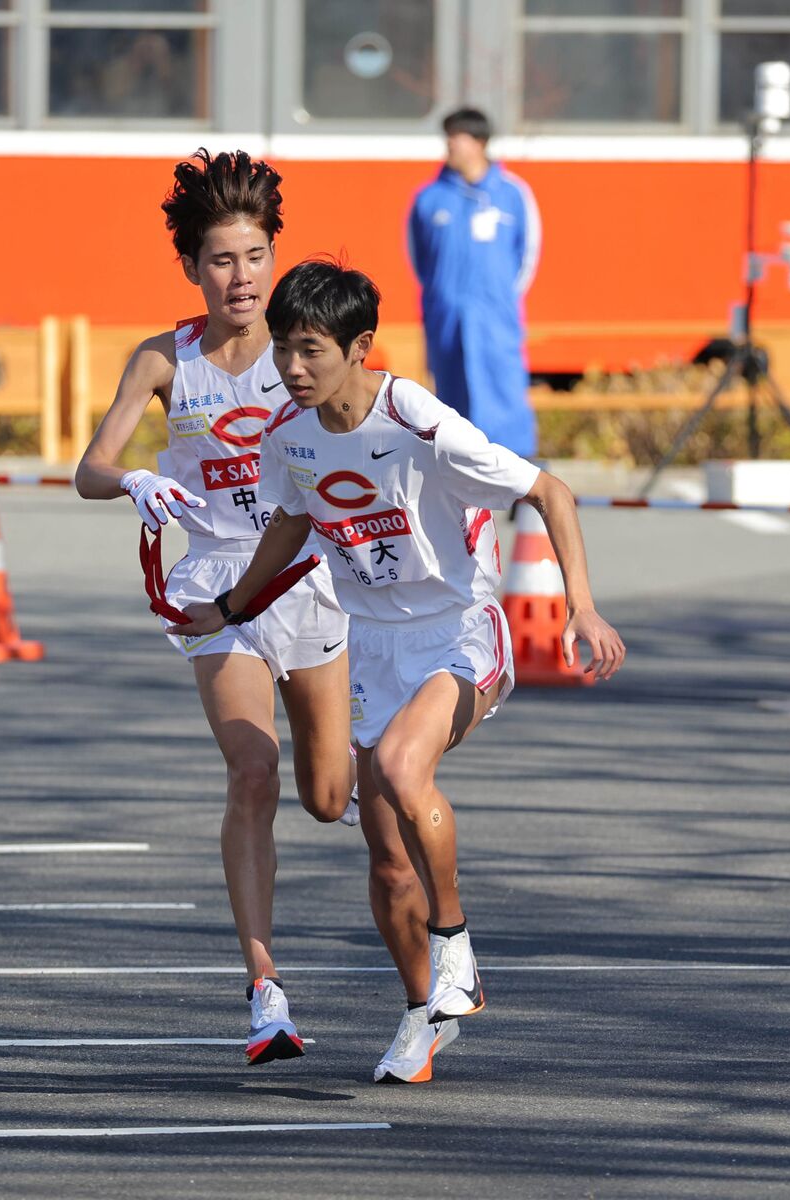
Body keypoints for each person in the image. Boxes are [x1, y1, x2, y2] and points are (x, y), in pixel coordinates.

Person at [175, 259, 625, 1085]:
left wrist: (581, 608)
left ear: (360, 347)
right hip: (371, 647)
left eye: (310, 350)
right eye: (281, 350)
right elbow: (289, 520)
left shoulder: (413, 416)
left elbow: (552, 492)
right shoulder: (289, 432)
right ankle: (424, 1013)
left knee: (398, 765)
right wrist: (233, 608)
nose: (291, 368)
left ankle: (458, 953)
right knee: (385, 857)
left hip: (459, 630)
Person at [74, 151, 357, 1068]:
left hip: (310, 577)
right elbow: (90, 467)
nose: (241, 277)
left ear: (275, 257)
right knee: (250, 771)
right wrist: (138, 479)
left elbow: (380, 441)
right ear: (194, 268)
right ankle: (264, 990)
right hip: (218, 593)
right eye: (221, 260)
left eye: (254, 256)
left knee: (327, 797)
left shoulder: (305, 352)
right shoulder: (167, 358)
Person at [407, 107, 541, 457]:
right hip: (445, 317)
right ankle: (459, 474)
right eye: (447, 135)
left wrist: (499, 299)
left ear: (479, 142)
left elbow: (527, 254)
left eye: (458, 135)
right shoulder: (428, 198)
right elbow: (420, 260)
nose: (449, 143)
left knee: (503, 389)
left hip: (495, 316)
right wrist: (444, 297)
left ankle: (517, 474)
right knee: (451, 396)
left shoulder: (512, 194)